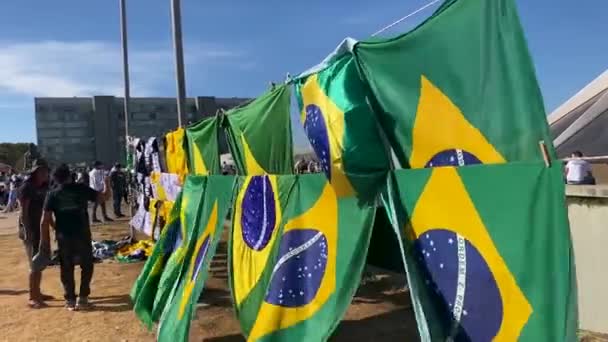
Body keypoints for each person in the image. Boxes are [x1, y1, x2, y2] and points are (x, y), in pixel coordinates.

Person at [41, 164, 107, 311]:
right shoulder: (81, 189)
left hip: (63, 236)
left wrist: (46, 239)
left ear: (55, 179)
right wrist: (107, 184)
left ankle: (70, 300)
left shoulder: (52, 194)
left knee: (66, 267)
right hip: (82, 233)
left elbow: (44, 220)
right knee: (87, 265)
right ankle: (83, 298)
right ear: (70, 175)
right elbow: (103, 198)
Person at [17, 159, 51, 309]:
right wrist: (27, 230)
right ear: (35, 172)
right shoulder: (27, 187)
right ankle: (33, 296)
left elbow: (46, 208)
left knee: (40, 259)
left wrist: (52, 226)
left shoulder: (44, 185)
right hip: (29, 228)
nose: (45, 174)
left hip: (39, 227)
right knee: (33, 261)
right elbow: (23, 212)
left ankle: (38, 291)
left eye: (45, 171)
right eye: (41, 171)